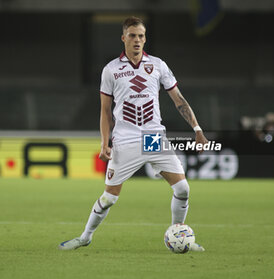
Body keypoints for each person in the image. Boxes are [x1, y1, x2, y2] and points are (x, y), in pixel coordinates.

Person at [58, 16, 208, 251]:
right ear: (123, 38)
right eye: (132, 36)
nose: (137, 40)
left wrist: (197, 129)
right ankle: (85, 237)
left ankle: (178, 234)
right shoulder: (111, 70)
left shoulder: (158, 65)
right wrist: (104, 142)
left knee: (182, 189)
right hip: (126, 139)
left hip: (153, 138)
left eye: (141, 36)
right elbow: (105, 111)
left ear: (145, 38)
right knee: (109, 198)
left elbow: (179, 100)